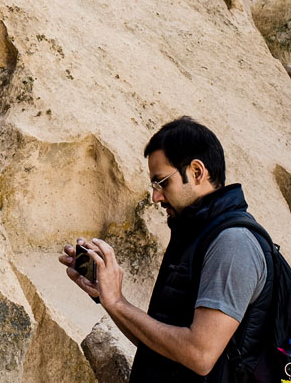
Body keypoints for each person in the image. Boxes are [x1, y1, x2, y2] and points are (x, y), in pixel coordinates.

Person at [61, 117, 274, 382]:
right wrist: (108, 299)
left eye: (162, 183)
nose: (156, 196)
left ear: (197, 172)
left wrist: (118, 302)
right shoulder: (195, 234)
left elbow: (199, 354)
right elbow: (163, 345)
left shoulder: (233, 244)